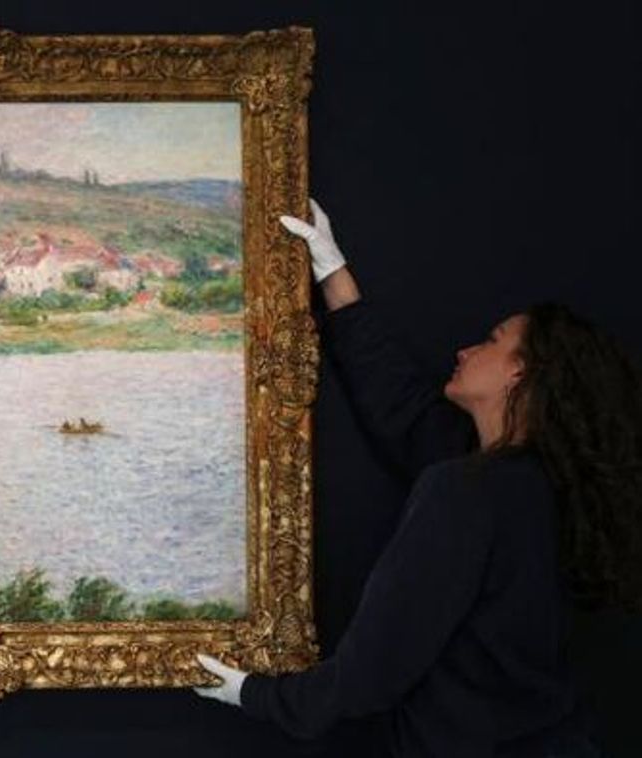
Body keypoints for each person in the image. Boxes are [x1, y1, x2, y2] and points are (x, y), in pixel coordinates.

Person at [193, 200, 641, 756]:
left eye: (492, 340)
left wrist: (257, 695)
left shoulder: (468, 491)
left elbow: (371, 673)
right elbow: (404, 410)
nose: (466, 349)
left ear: (521, 371)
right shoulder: (538, 483)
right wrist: (333, 273)